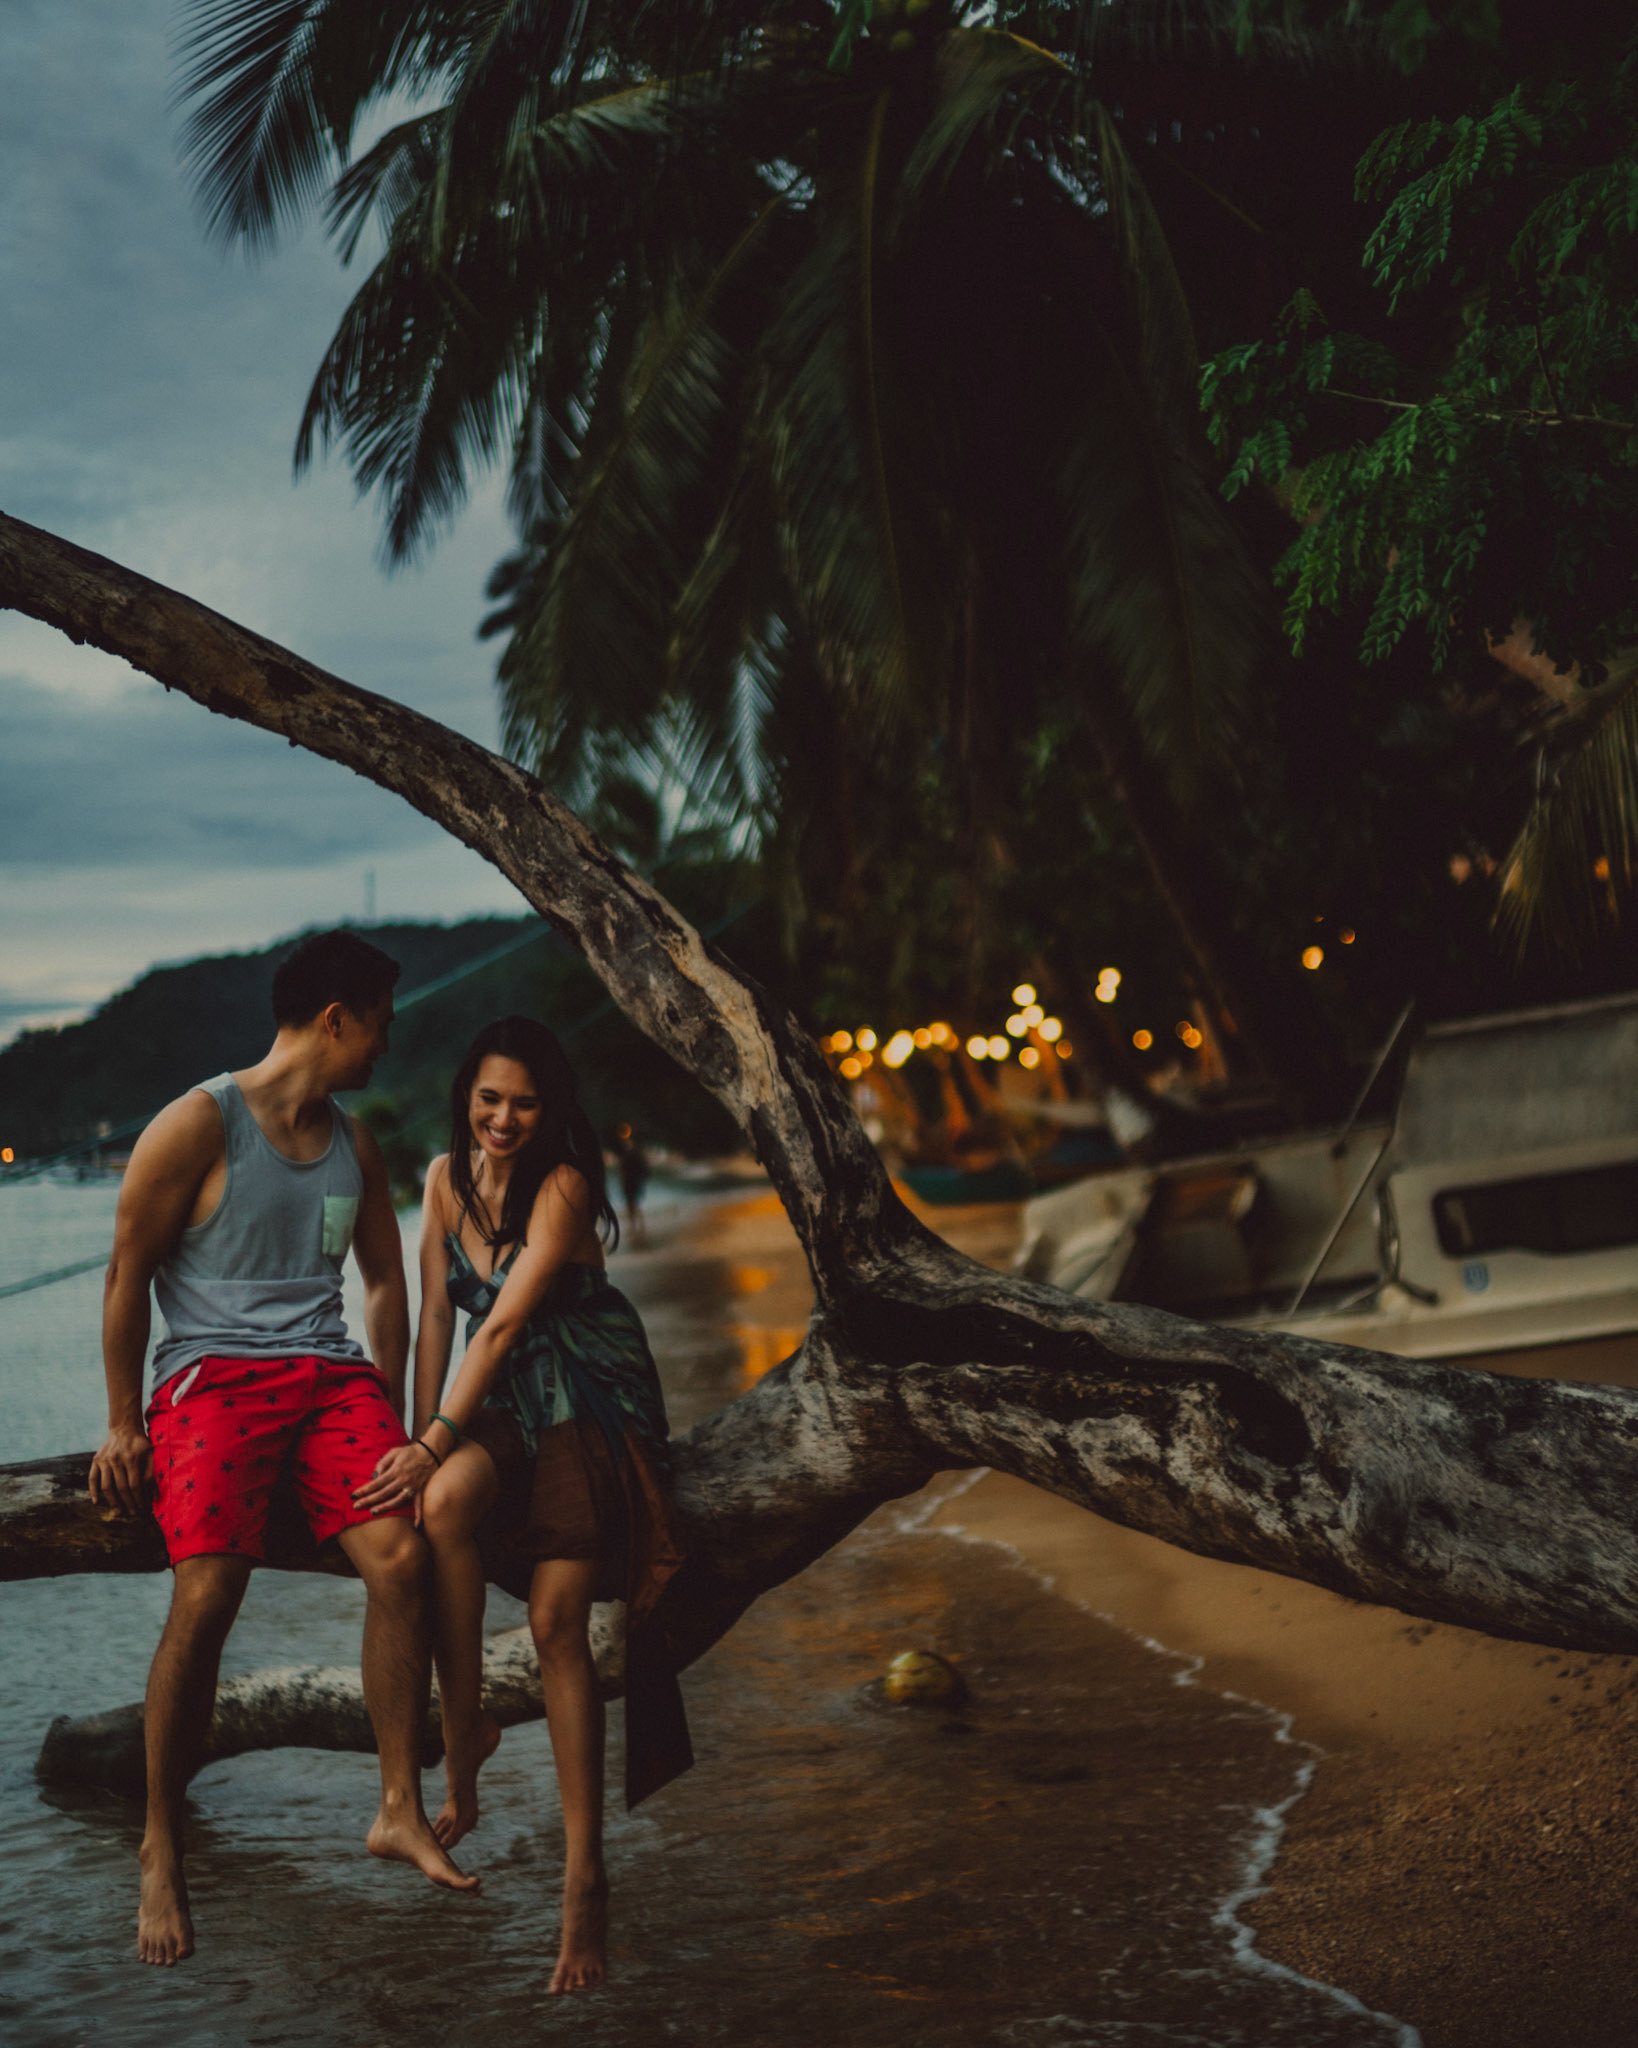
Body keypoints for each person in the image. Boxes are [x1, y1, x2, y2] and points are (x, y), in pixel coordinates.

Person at [88, 930, 479, 1969]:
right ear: (335, 1017)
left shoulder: (356, 1143)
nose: (388, 1043)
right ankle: (162, 1838)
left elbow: (388, 1282)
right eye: (382, 1023)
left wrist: (391, 1421)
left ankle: (397, 1804)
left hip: (330, 1381)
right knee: (209, 1589)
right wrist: (124, 1419)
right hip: (210, 1377)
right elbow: (128, 1270)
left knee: (401, 1556)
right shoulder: (197, 1122)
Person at [355, 1016, 688, 1995]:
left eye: (526, 1101)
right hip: (495, 1397)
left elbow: (500, 1321)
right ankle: (467, 1744)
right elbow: (433, 1320)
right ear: (466, 1091)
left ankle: (586, 1876)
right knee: (443, 1501)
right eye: (490, 1096)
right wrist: (419, 1444)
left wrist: (432, 1437)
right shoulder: (439, 1179)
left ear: (553, 1110)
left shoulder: (566, 1183)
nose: (504, 1117)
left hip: (587, 1387)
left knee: (556, 1622)